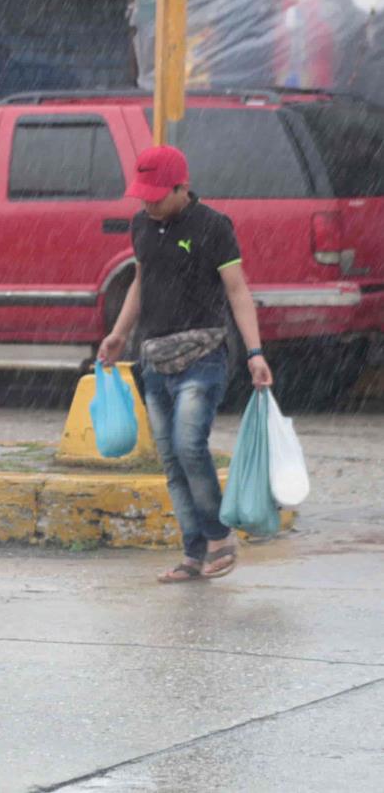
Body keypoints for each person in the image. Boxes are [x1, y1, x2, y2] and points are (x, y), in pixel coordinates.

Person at [98, 145, 273, 583]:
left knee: (189, 444)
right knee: (172, 461)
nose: (148, 203)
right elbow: (141, 282)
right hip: (153, 358)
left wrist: (255, 353)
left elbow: (237, 292)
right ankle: (193, 554)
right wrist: (119, 333)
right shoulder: (141, 224)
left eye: (158, 195)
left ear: (183, 187)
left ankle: (219, 538)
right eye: (143, 196)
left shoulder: (214, 227)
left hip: (203, 356)